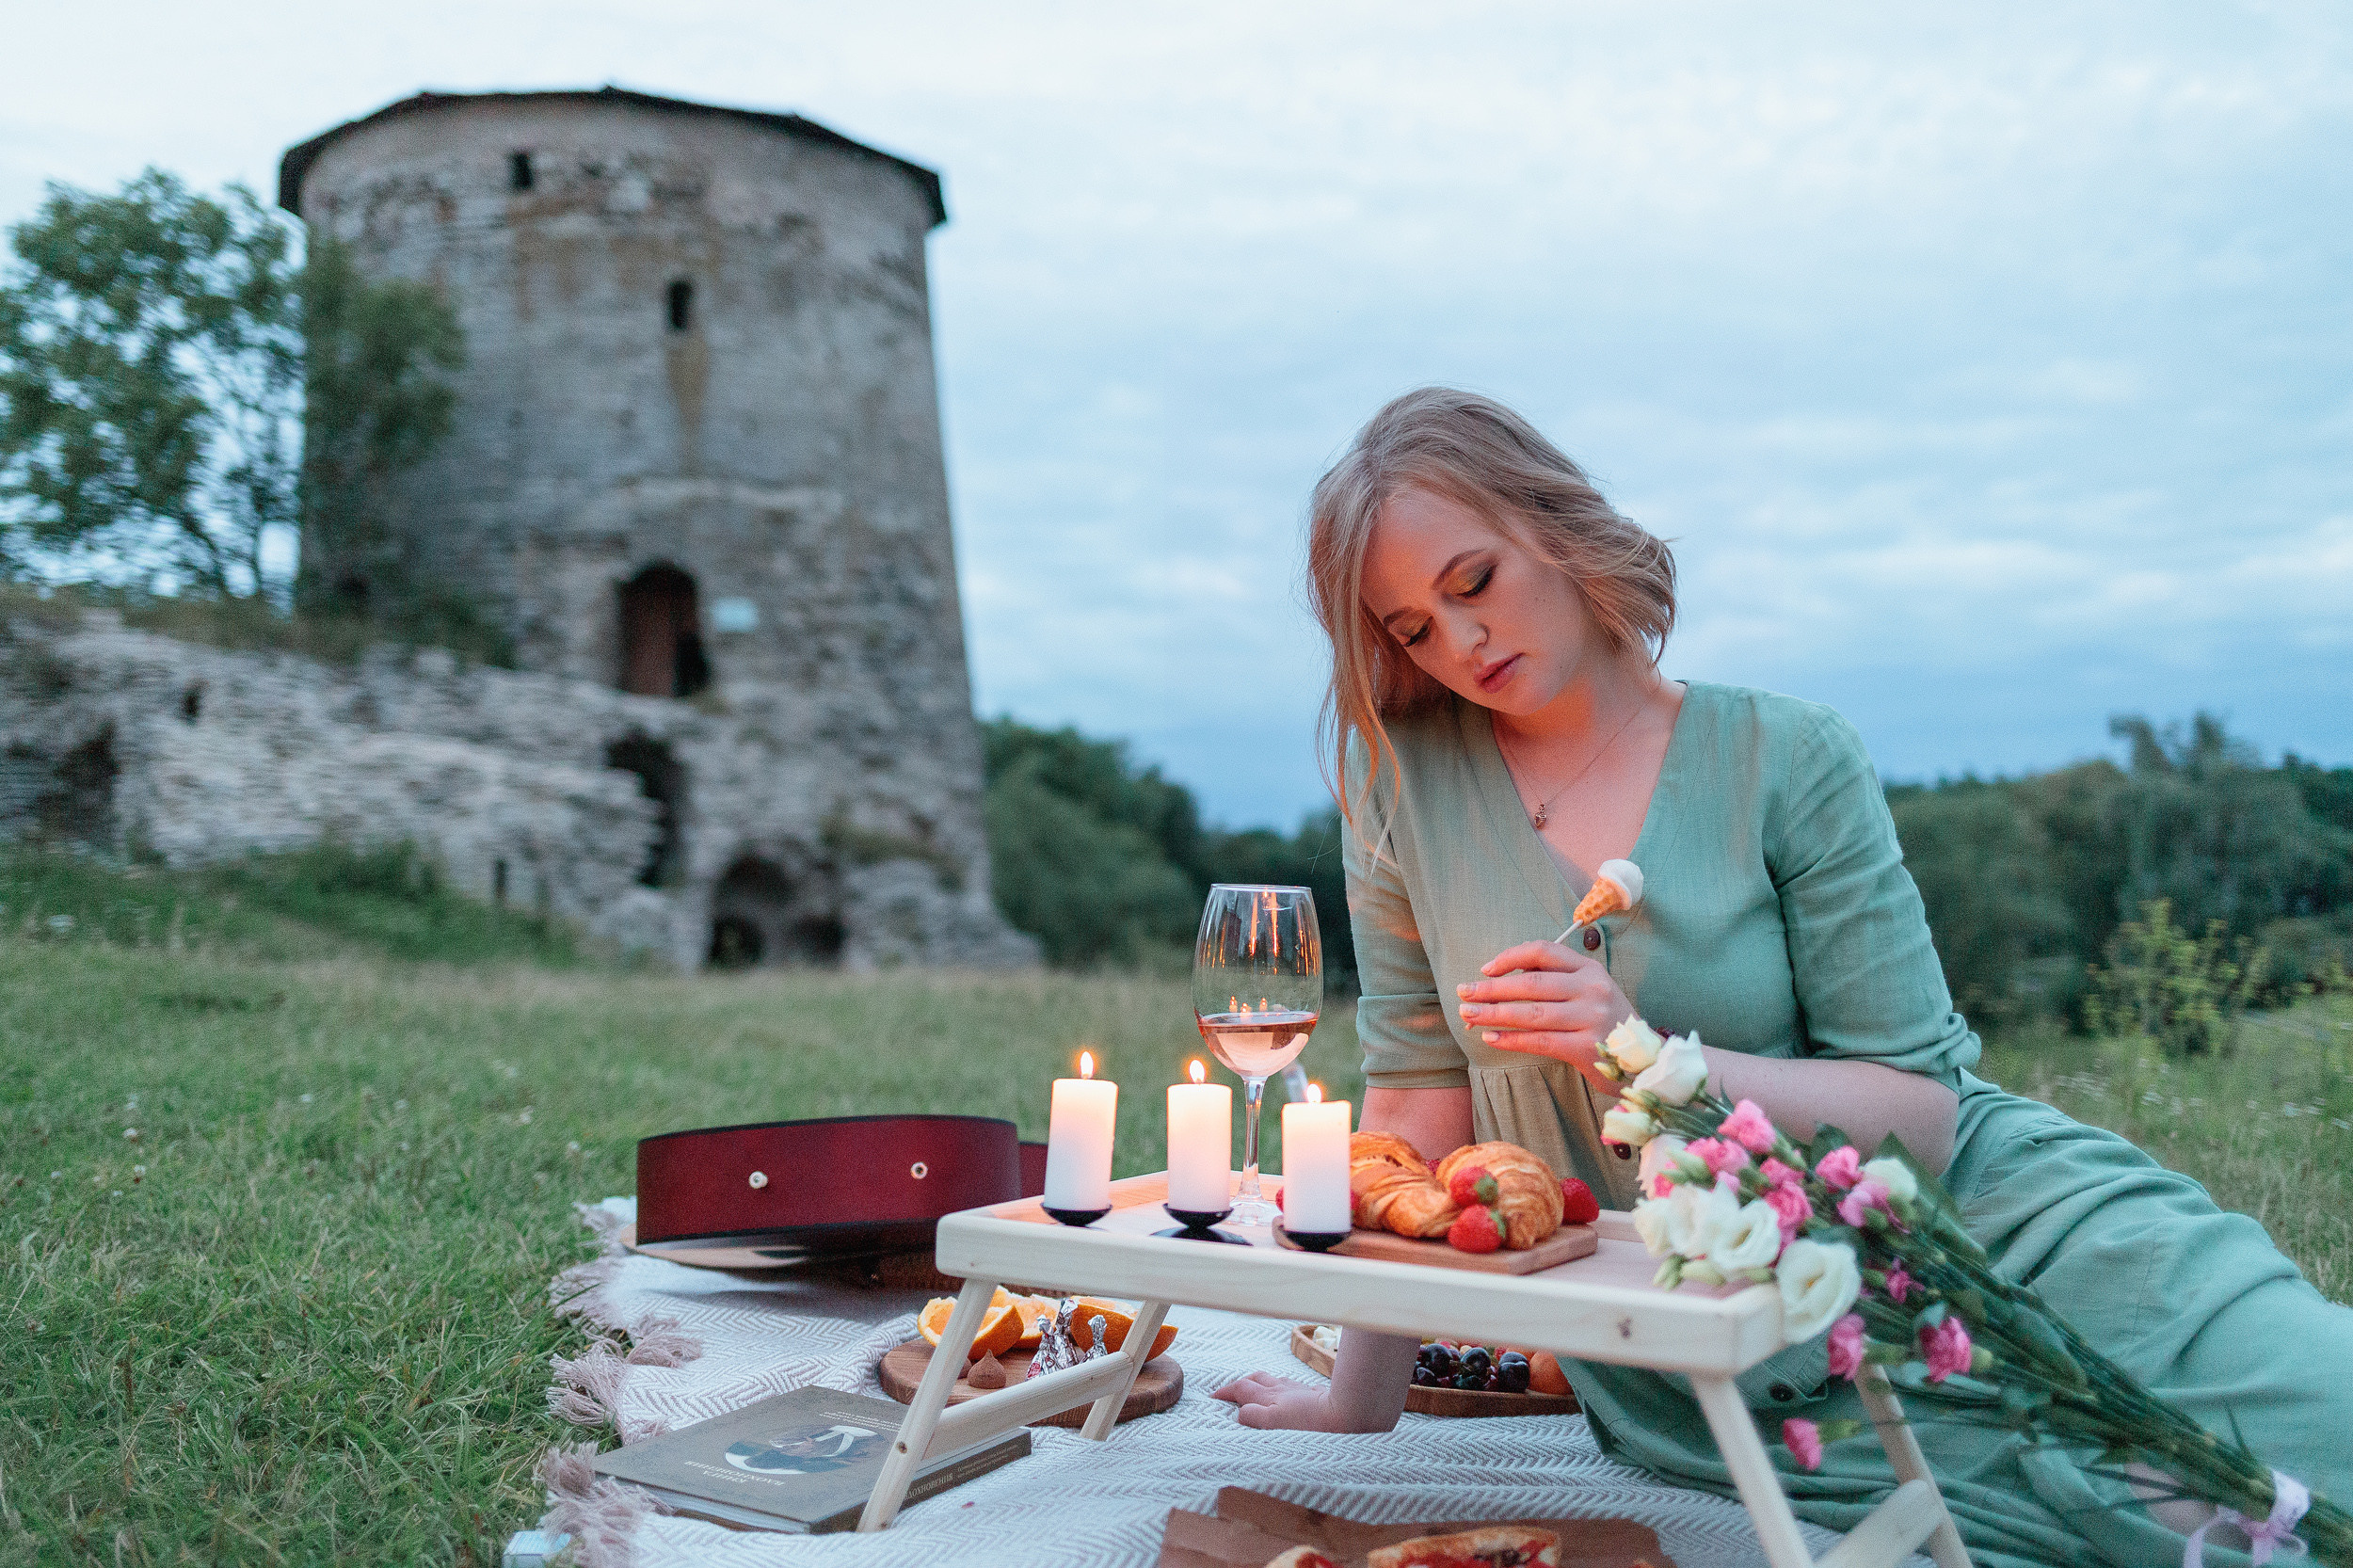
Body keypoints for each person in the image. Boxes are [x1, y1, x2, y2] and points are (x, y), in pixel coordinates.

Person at [1209, 388, 2353, 1568]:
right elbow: (1413, 1119)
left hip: (1991, 1231)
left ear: (1551, 527)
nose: (1459, 643)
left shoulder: (1789, 756)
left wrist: (1644, 1056)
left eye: (1473, 582)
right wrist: (1361, 1401)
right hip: (1737, 1347)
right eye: (1410, 630)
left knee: (2326, 1419)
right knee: (2155, 1523)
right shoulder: (1400, 782)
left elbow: (1921, 1112)